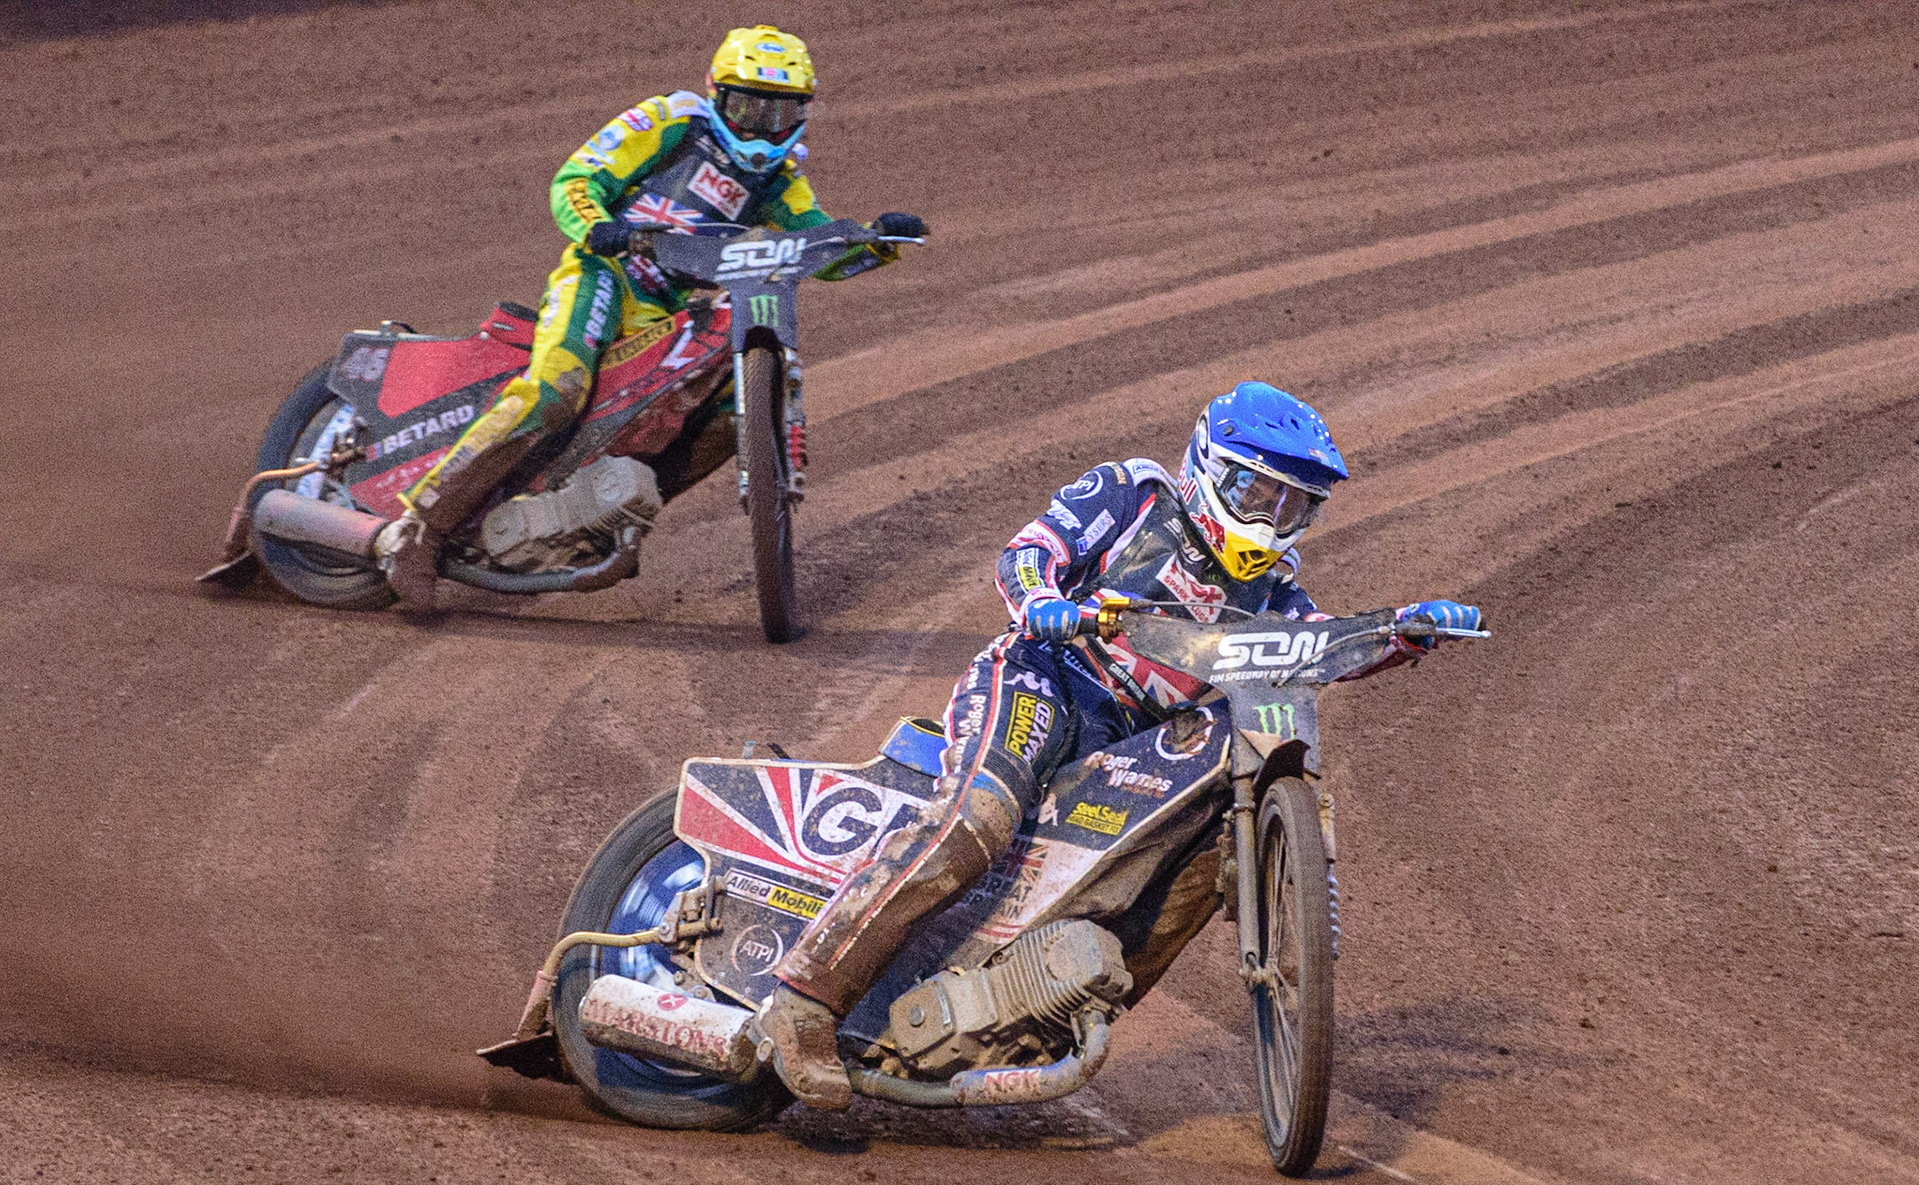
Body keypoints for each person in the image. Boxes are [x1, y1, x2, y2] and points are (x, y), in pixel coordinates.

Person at [756, 380, 1484, 1107]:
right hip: (1048, 680)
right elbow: (1028, 551)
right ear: (1209, 466)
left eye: (1292, 506)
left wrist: (1401, 632)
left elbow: (1313, 647)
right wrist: (1044, 601)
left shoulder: (1276, 591)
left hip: (1135, 742)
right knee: (979, 817)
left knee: (1199, 856)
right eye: (1256, 494)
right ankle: (804, 998)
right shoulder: (1135, 496)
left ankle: (1038, 1014)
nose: (1269, 521)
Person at [375, 25, 927, 608]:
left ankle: (604, 518)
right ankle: (417, 531)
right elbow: (577, 178)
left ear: (801, 113)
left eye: (779, 111)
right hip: (605, 277)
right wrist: (598, 226)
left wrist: (874, 241)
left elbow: (812, 245)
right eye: (747, 106)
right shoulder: (673, 121)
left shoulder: (778, 178)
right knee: (557, 389)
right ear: (717, 95)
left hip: (675, 311)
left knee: (724, 416)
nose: (762, 125)